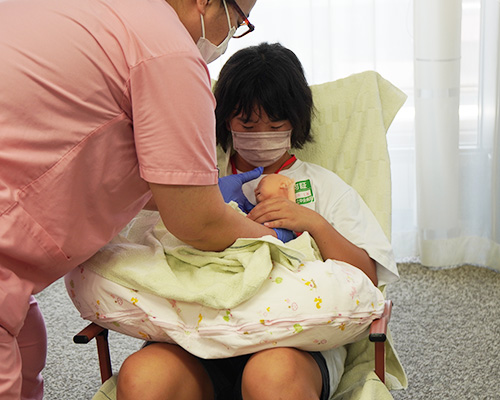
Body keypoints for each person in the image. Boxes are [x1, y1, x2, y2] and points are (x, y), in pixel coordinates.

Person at [0, 0, 283, 398]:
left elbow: (99, 150)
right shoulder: (168, 53)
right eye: (239, 20)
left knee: (28, 342)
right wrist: (279, 240)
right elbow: (197, 221)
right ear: (206, 2)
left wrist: (207, 194)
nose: (231, 34)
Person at [116, 42, 399, 399]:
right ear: (225, 120)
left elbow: (367, 278)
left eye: (276, 124)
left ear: (295, 122)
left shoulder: (323, 187)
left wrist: (313, 224)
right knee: (143, 378)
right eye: (248, 124)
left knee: (272, 377)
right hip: (198, 334)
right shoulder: (198, 183)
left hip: (293, 341)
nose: (262, 134)